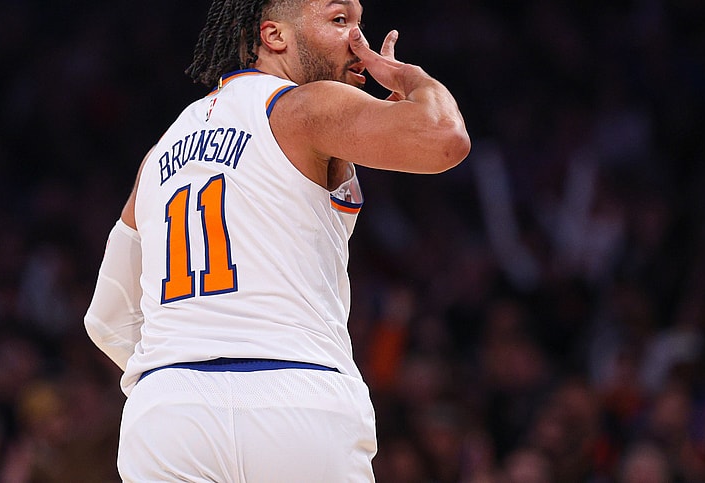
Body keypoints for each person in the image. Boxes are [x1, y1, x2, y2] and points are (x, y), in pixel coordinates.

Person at [83, 0, 470, 480]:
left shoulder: (159, 153)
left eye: (359, 23)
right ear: (275, 36)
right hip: (296, 392)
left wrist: (183, 375)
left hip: (167, 411)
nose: (360, 42)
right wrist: (409, 78)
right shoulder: (305, 106)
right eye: (340, 20)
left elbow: (107, 318)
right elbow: (445, 137)